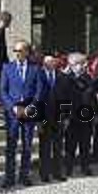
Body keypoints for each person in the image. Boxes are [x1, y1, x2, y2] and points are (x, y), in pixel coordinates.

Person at [0, 40, 43, 188]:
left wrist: (32, 106)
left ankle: (24, 176)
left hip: (30, 110)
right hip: (13, 112)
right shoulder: (7, 68)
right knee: (11, 145)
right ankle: (9, 177)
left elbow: (39, 91)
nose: (17, 53)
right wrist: (12, 107)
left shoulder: (35, 69)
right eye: (15, 50)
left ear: (27, 52)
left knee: (27, 145)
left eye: (20, 50)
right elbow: (3, 91)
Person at [64, 53, 98, 176]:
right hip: (72, 117)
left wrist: (95, 114)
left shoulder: (88, 78)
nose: (83, 66)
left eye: (84, 63)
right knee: (70, 144)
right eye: (80, 63)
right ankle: (68, 168)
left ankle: (85, 167)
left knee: (85, 143)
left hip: (86, 116)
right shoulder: (66, 79)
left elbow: (93, 98)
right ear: (72, 65)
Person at [38, 54, 69, 183]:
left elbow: (66, 98)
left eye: (52, 62)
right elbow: (36, 98)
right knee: (44, 147)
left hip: (58, 117)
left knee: (58, 146)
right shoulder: (38, 76)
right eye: (47, 62)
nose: (50, 64)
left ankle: (57, 172)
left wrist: (66, 116)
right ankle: (44, 174)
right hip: (44, 117)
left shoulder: (62, 77)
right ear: (44, 64)